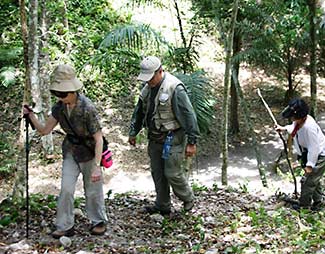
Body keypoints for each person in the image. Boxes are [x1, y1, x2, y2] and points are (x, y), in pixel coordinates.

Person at [23, 64, 108, 238]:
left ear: (73, 91)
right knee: (66, 189)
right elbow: (45, 130)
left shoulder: (87, 108)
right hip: (70, 151)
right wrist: (30, 116)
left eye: (63, 94)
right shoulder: (59, 107)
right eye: (57, 93)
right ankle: (65, 225)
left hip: (90, 152)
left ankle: (98, 221)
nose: (60, 97)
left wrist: (97, 166)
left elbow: (98, 138)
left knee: (92, 189)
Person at [129, 56, 199, 215]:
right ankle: (162, 205)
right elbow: (139, 111)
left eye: (151, 77)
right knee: (157, 173)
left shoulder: (174, 88)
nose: (149, 81)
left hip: (173, 137)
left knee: (172, 173)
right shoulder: (147, 88)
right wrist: (134, 131)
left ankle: (188, 198)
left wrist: (192, 142)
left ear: (160, 71)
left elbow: (188, 115)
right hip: (154, 138)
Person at [276, 98, 325, 210]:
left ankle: (304, 206)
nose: (291, 118)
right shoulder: (299, 122)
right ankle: (318, 201)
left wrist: (310, 165)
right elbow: (294, 128)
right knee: (313, 180)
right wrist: (284, 129)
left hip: (320, 155)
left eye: (293, 116)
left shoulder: (308, 127)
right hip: (308, 154)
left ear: (300, 116)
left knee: (307, 182)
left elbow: (314, 148)